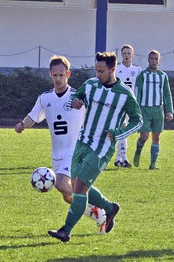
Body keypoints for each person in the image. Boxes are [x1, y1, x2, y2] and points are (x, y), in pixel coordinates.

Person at [48, 52, 143, 242]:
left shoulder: (124, 94)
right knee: (76, 184)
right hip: (82, 141)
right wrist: (74, 102)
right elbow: (72, 98)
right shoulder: (91, 84)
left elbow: (138, 121)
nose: (98, 75)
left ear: (113, 69)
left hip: (102, 147)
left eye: (102, 71)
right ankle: (109, 208)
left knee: (79, 189)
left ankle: (66, 231)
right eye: (96, 70)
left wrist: (118, 133)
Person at [15, 55, 106, 233]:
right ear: (50, 75)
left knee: (62, 184)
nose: (58, 79)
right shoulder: (45, 98)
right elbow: (33, 116)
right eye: (55, 75)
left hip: (76, 150)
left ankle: (105, 207)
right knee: (67, 195)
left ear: (68, 74)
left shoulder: (78, 96)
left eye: (61, 75)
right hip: (58, 154)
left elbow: (96, 112)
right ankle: (98, 213)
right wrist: (22, 125)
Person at [132, 50, 173, 170]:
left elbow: (167, 93)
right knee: (144, 136)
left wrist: (170, 110)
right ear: (148, 60)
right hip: (145, 110)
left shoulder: (163, 76)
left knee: (156, 137)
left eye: (156, 59)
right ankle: (138, 152)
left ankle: (152, 164)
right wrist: (136, 109)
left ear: (159, 61)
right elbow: (137, 92)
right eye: (152, 59)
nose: (154, 61)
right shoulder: (143, 75)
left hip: (158, 110)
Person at [114, 44, 142, 168]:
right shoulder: (116, 68)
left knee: (125, 129)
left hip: (131, 103)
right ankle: (120, 158)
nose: (126, 55)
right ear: (121, 55)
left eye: (128, 53)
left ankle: (121, 157)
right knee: (120, 128)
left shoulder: (137, 69)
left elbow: (139, 87)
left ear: (132, 54)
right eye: (124, 53)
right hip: (118, 103)